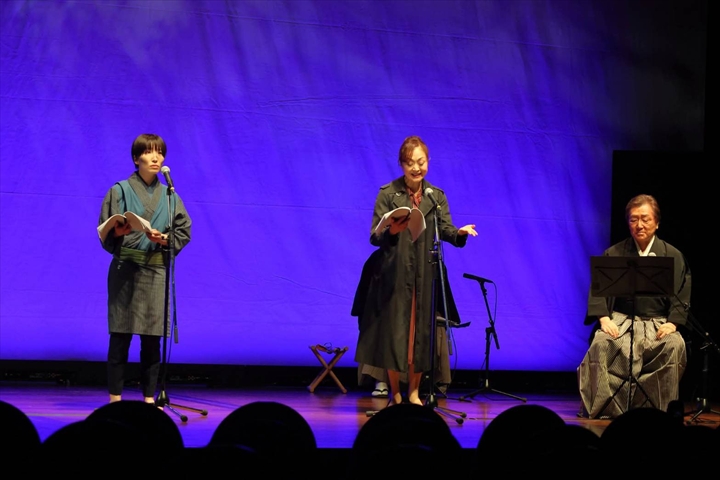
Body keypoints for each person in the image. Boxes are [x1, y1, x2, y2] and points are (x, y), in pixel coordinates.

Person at [354, 135, 477, 406]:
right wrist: (390, 230)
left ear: (428, 162)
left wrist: (458, 233)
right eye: (410, 163)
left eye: (421, 162)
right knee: (395, 335)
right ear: (401, 164)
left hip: (424, 274)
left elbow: (445, 229)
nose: (416, 168)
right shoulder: (389, 193)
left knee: (420, 336)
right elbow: (375, 236)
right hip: (394, 274)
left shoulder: (435, 196)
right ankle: (396, 393)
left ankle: (414, 392)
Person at [98, 133, 192, 407]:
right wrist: (118, 231)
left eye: (160, 152)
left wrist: (164, 239)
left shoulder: (170, 196)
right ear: (135, 158)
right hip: (125, 269)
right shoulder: (119, 191)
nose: (156, 157)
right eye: (150, 152)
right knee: (120, 335)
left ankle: (149, 398)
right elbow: (105, 233)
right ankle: (115, 399)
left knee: (152, 340)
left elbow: (183, 231)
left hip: (156, 270)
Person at [578, 194, 690, 419]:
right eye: (633, 219)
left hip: (657, 322)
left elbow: (682, 292)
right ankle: (607, 407)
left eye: (645, 219)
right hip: (621, 320)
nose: (639, 225)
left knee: (674, 345)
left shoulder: (673, 255)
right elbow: (598, 290)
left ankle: (654, 409)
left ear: (657, 223)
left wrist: (673, 323)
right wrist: (604, 318)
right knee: (601, 343)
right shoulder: (614, 253)